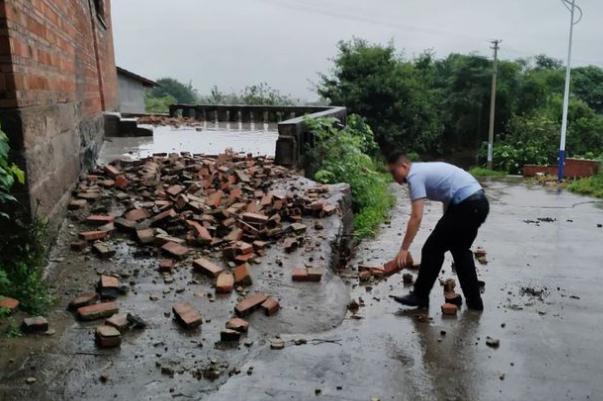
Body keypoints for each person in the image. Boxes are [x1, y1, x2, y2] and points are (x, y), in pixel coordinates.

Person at [386, 152, 489, 310]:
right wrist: (447, 224)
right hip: (479, 204)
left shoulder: (415, 176)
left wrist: (404, 249)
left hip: (467, 205)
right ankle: (475, 303)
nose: (394, 177)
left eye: (394, 172)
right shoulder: (423, 170)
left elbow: (416, 217)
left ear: (404, 166)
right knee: (460, 251)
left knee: (431, 249)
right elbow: (448, 199)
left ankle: (420, 296)